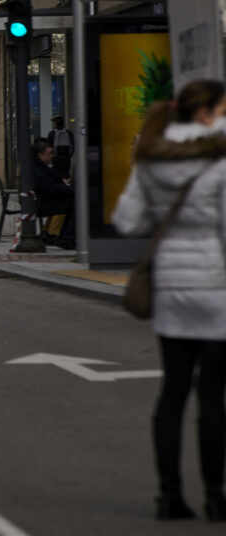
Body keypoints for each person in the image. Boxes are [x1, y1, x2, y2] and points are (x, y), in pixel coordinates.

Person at [113, 80, 226, 521]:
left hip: (172, 290)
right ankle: (216, 496)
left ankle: (169, 496)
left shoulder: (151, 161)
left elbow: (127, 220)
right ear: (204, 115)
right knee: (213, 397)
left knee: (173, 392)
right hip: (216, 288)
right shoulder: (218, 162)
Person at [32, 139, 75, 248]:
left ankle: (63, 236)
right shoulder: (38, 168)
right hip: (42, 203)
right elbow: (48, 187)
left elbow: (51, 182)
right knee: (73, 203)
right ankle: (67, 238)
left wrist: (64, 185)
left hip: (45, 199)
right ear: (40, 155)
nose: (52, 156)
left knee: (71, 201)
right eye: (49, 153)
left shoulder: (41, 166)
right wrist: (68, 188)